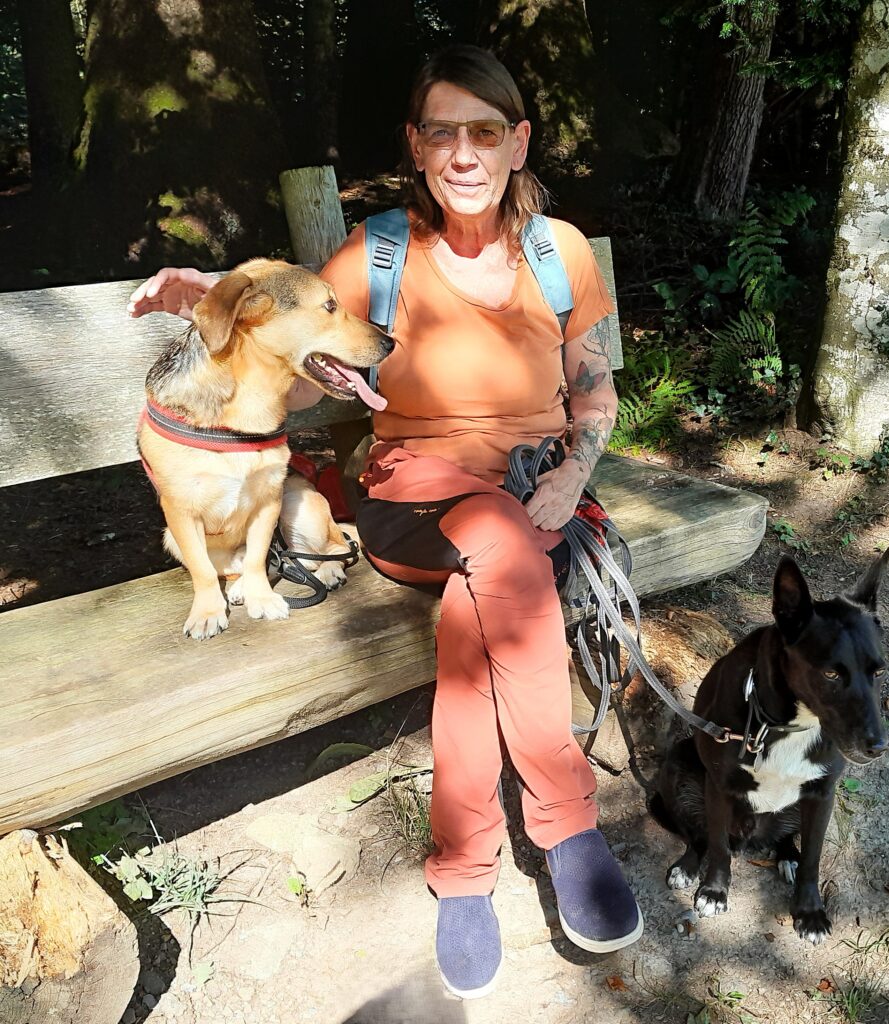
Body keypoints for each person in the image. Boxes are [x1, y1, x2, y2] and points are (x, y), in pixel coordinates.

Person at [128, 44, 641, 999]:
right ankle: (569, 826)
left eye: (485, 131)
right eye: (442, 132)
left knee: (485, 598)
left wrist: (574, 474)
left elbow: (594, 385)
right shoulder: (379, 252)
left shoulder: (558, 252)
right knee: (498, 546)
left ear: (519, 141)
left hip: (538, 498)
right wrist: (212, 297)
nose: (464, 152)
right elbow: (290, 337)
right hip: (415, 500)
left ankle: (465, 870)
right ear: (415, 144)